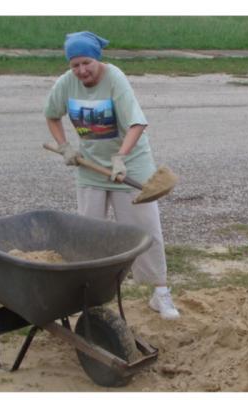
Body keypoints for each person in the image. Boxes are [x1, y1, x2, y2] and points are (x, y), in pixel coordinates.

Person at [45, 30, 180, 320]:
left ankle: (160, 292)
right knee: (88, 235)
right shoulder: (66, 84)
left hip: (130, 166)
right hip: (90, 168)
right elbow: (51, 114)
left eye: (86, 63)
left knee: (144, 231)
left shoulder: (115, 78)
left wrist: (121, 158)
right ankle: (87, 297)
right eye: (75, 65)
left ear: (97, 59)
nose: (81, 71)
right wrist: (64, 146)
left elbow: (136, 123)